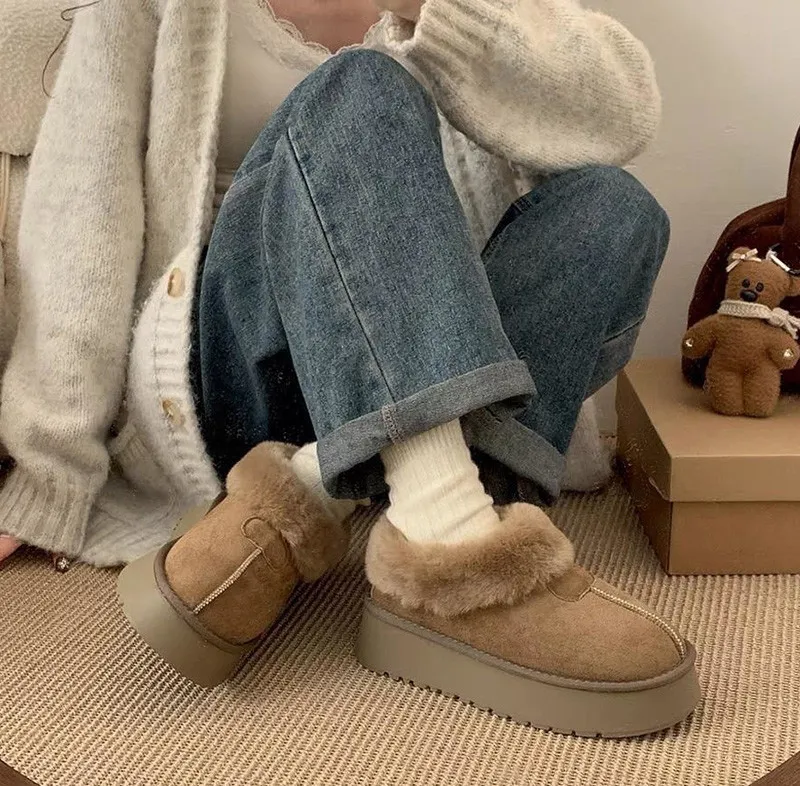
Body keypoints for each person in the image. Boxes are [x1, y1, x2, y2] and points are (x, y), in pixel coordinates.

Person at [0, 0, 700, 736]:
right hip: (241, 361)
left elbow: (623, 114)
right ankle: (452, 545)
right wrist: (51, 467)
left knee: (615, 209)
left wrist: (432, 9)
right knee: (359, 84)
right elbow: (84, 211)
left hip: (423, 344)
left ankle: (325, 487)